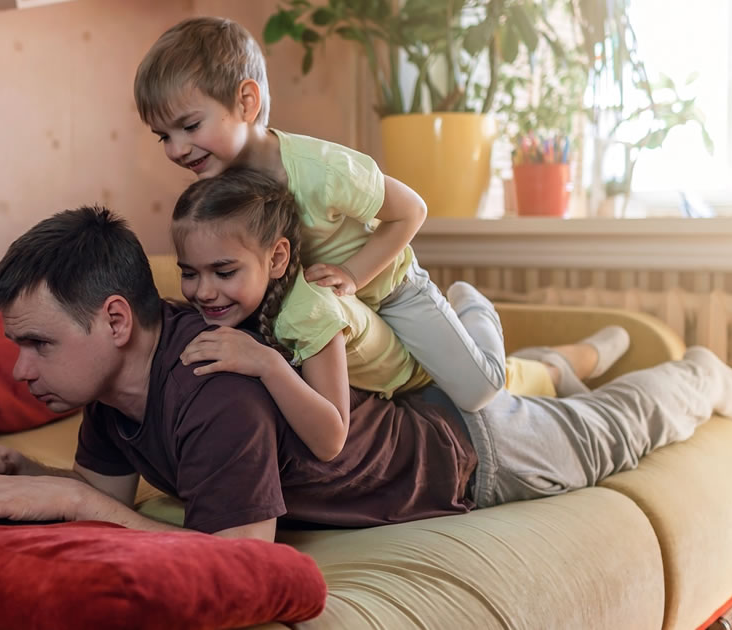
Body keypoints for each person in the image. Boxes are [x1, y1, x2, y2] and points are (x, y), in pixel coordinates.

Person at [0, 206, 732, 542]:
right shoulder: (112, 397)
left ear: (116, 320)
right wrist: (14, 470)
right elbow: (112, 498)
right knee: (538, 383)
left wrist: (73, 502)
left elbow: (239, 558)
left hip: (473, 458)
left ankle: (697, 371)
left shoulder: (216, 387)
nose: (17, 366)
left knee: (618, 429)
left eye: (36, 343)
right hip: (436, 419)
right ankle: (560, 362)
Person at [133, 16, 514, 413]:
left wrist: (353, 274)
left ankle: (472, 306)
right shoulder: (219, 191)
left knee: (477, 392)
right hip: (335, 312)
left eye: (190, 126)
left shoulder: (323, 169)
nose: (176, 150)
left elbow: (411, 211)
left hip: (390, 289)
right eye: (164, 136)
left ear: (246, 102)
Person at [170, 167, 615, 462]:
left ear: (278, 259)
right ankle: (562, 361)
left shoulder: (307, 314)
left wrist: (266, 364)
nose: (203, 291)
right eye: (188, 273)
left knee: (503, 381)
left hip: (424, 378)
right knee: (531, 367)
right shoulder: (254, 295)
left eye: (223, 271)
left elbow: (330, 439)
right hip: (397, 357)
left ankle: (478, 309)